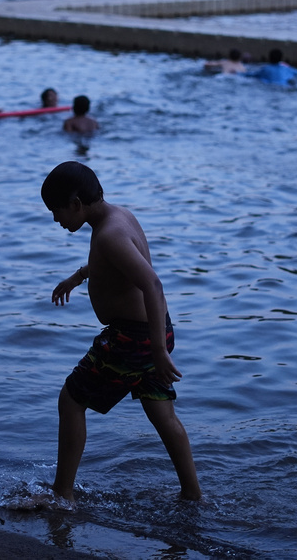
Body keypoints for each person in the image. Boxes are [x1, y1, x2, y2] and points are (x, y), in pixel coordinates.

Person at [41, 161, 201, 505]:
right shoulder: (118, 217)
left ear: (75, 204)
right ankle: (193, 494)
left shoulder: (110, 233)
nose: (55, 220)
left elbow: (152, 285)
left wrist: (157, 350)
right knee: (161, 412)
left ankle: (61, 496)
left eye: (55, 211)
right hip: (154, 332)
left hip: (135, 339)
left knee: (71, 400)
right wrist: (78, 276)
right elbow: (113, 264)